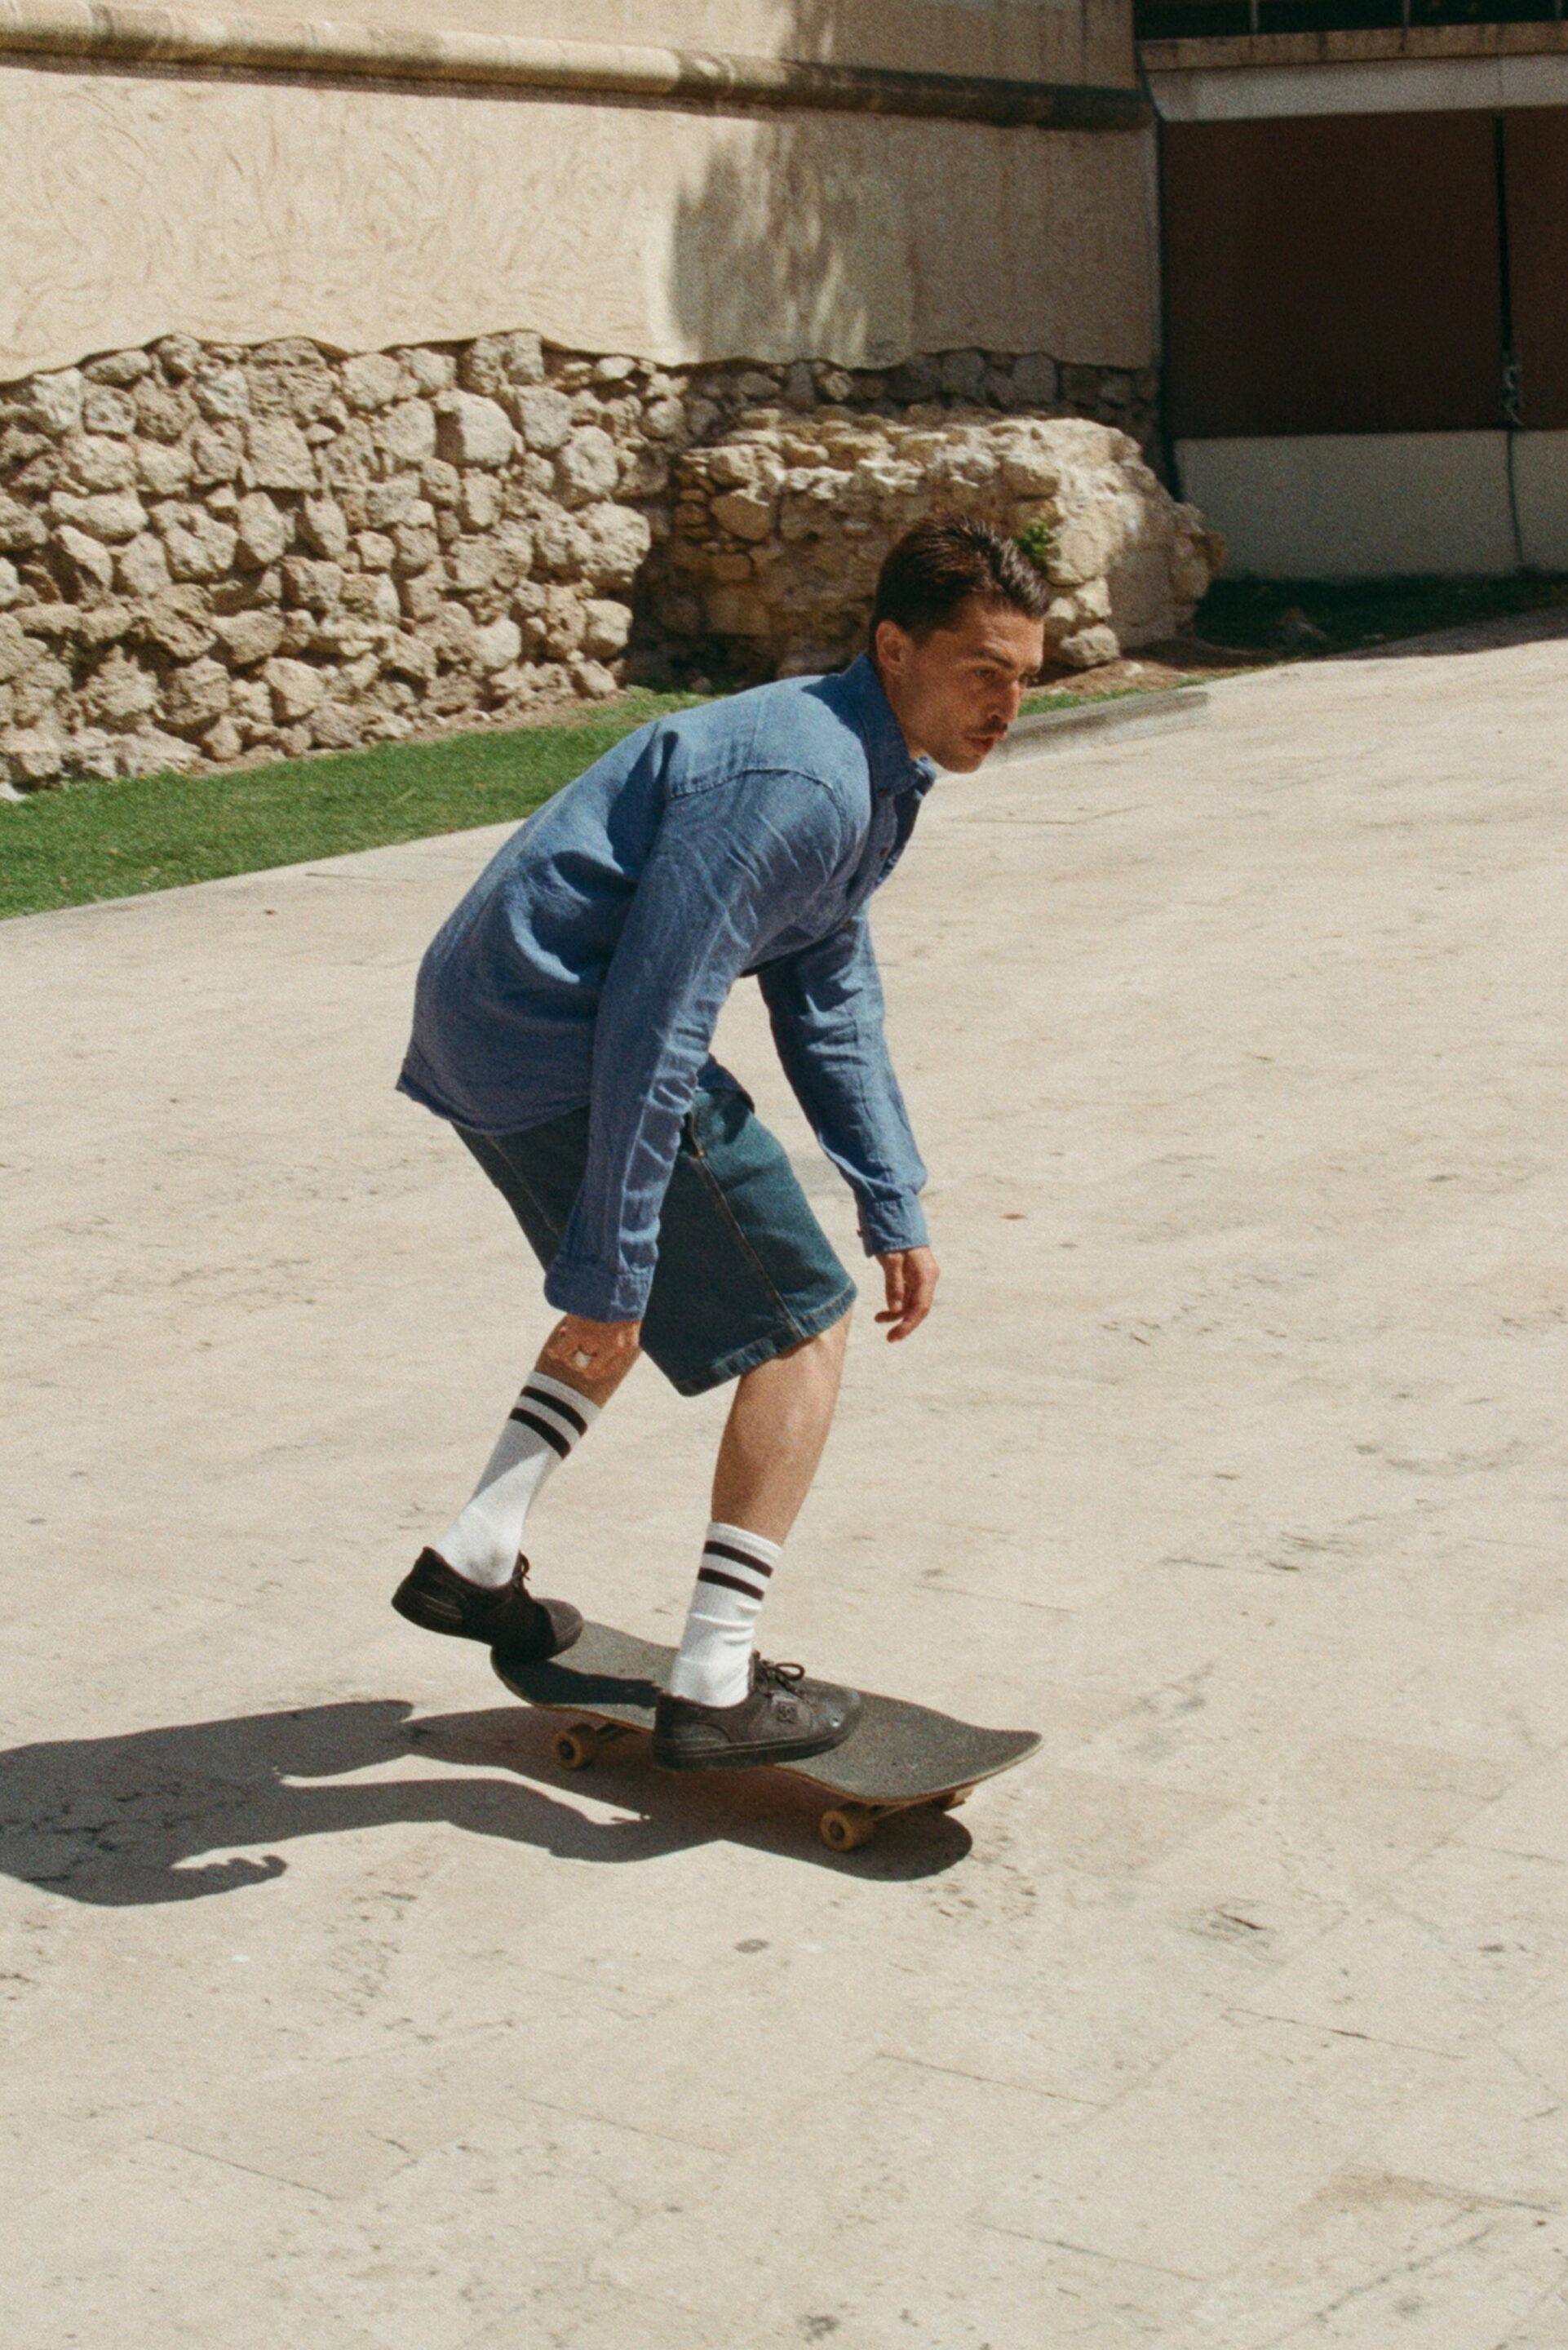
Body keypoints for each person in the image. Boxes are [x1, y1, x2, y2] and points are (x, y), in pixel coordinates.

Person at [392, 512, 1048, 1768]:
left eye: (1023, 674)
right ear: (894, 647)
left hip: (496, 1021)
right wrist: (609, 1258)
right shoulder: (801, 783)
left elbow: (827, 991)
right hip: (563, 1032)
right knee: (796, 1320)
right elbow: (656, 1019)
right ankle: (713, 1678)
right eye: (983, 672)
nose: (1007, 702)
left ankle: (478, 1553)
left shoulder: (868, 766)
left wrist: (892, 1192)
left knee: (648, 1280)